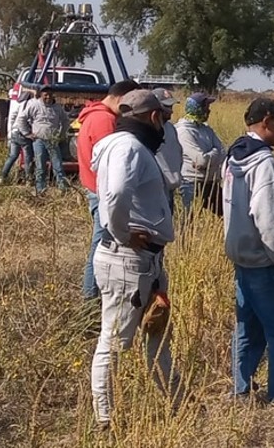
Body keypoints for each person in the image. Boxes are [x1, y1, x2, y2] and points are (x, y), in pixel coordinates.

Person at [89, 89, 181, 428]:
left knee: (158, 332)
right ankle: (105, 419)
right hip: (128, 260)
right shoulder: (127, 147)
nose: (166, 124)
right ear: (154, 117)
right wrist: (124, 233)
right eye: (165, 117)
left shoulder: (126, 145)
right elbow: (114, 196)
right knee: (114, 343)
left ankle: (177, 403)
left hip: (145, 261)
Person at [223, 97, 274, 406]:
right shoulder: (265, 164)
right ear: (266, 121)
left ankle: (241, 388)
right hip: (266, 262)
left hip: (242, 257)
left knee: (247, 329)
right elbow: (269, 221)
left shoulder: (233, 157)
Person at [75, 80, 141, 300]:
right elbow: (113, 162)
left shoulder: (94, 115)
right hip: (101, 192)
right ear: (121, 98)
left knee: (101, 245)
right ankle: (90, 298)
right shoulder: (105, 120)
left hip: (95, 188)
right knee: (100, 248)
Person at [175, 92, 226, 216]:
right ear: (197, 108)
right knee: (189, 223)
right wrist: (215, 153)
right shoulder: (183, 132)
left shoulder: (206, 129)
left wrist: (210, 155)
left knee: (227, 213)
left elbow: (223, 152)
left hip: (211, 182)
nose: (209, 110)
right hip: (191, 183)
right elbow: (201, 159)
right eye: (206, 107)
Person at [16, 86, 70, 194]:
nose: (48, 97)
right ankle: (40, 190)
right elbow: (21, 118)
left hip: (52, 140)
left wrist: (61, 134)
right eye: (45, 95)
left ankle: (63, 189)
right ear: (41, 95)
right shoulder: (34, 105)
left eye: (50, 94)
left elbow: (65, 121)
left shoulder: (57, 107)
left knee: (58, 165)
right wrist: (27, 133)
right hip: (38, 140)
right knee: (40, 166)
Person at [151, 89, 183, 213]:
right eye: (166, 106)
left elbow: (177, 152)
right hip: (156, 189)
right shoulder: (149, 131)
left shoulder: (171, 128)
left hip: (170, 188)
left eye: (171, 106)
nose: (171, 111)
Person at [0, 90, 35, 186]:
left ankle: (2, 178)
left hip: (14, 132)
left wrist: (10, 132)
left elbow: (12, 117)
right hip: (24, 134)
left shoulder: (19, 104)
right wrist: (28, 133)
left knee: (12, 156)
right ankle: (28, 180)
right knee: (27, 158)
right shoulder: (31, 105)